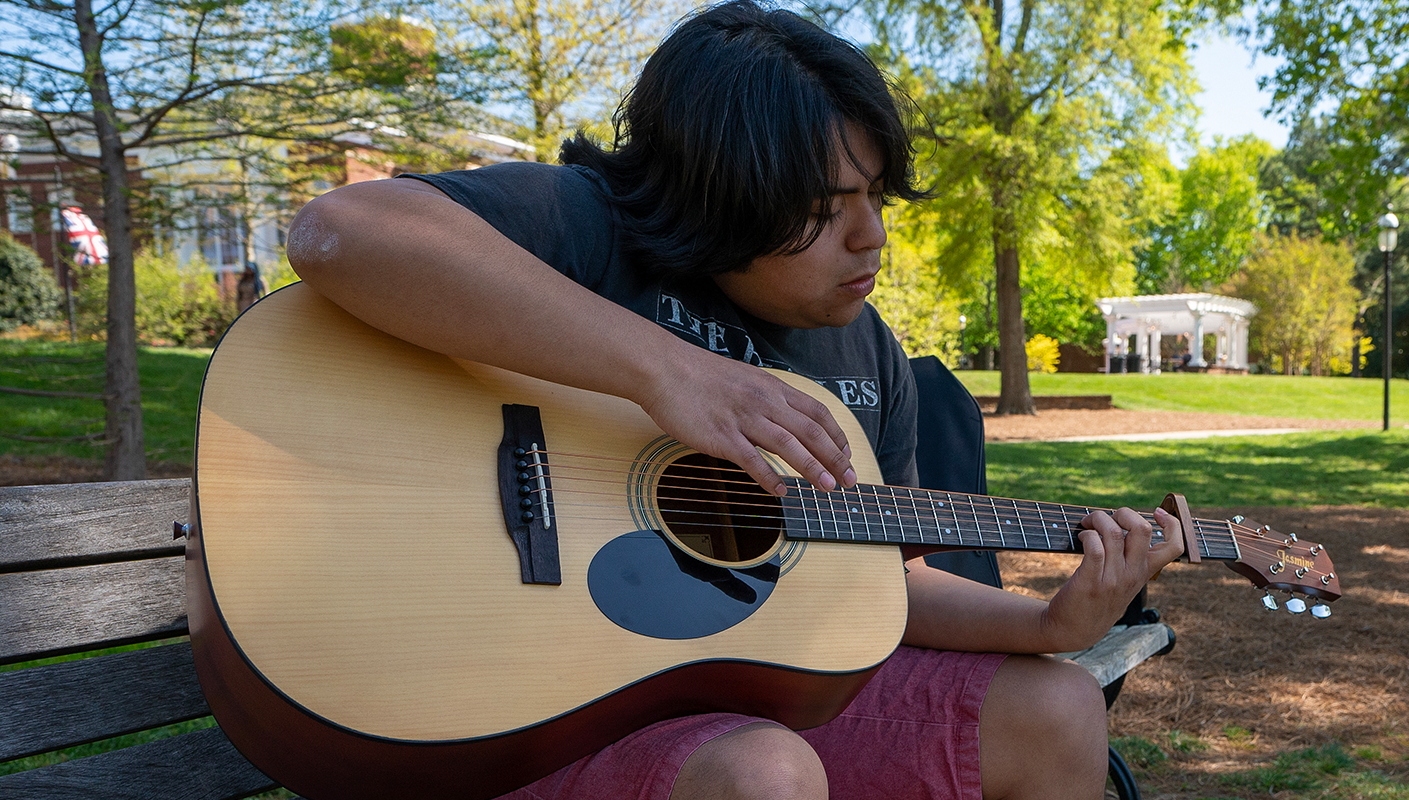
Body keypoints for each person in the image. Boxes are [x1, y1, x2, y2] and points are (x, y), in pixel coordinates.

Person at [282, 4, 1181, 799]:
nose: (872, 236)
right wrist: (664, 371)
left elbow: (885, 581)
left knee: (1058, 707)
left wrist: (1046, 622)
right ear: (721, 192)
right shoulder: (587, 226)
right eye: (829, 208)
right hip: (519, 703)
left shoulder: (870, 353)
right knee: (762, 773)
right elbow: (340, 233)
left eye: (874, 195)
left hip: (743, 699)